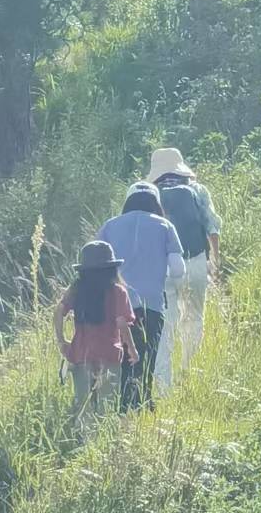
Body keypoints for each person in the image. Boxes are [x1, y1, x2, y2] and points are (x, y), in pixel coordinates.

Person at [98, 182, 185, 411]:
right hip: (151, 304)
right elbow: (178, 270)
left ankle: (116, 406)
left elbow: (95, 263)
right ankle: (140, 405)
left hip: (114, 305)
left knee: (118, 357)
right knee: (145, 359)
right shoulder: (165, 226)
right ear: (156, 202)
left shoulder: (109, 226)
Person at [147, 148, 222, 393]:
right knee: (195, 317)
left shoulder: (150, 193)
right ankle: (189, 371)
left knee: (166, 325)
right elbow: (213, 226)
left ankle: (163, 387)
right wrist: (215, 260)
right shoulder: (197, 190)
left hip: (164, 268)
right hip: (196, 261)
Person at [55, 240, 139, 427]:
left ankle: (84, 443)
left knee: (83, 404)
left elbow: (59, 311)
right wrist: (131, 349)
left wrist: (61, 340)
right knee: (106, 404)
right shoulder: (118, 291)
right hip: (109, 354)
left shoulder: (77, 290)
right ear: (111, 268)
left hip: (81, 353)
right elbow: (121, 323)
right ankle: (101, 445)